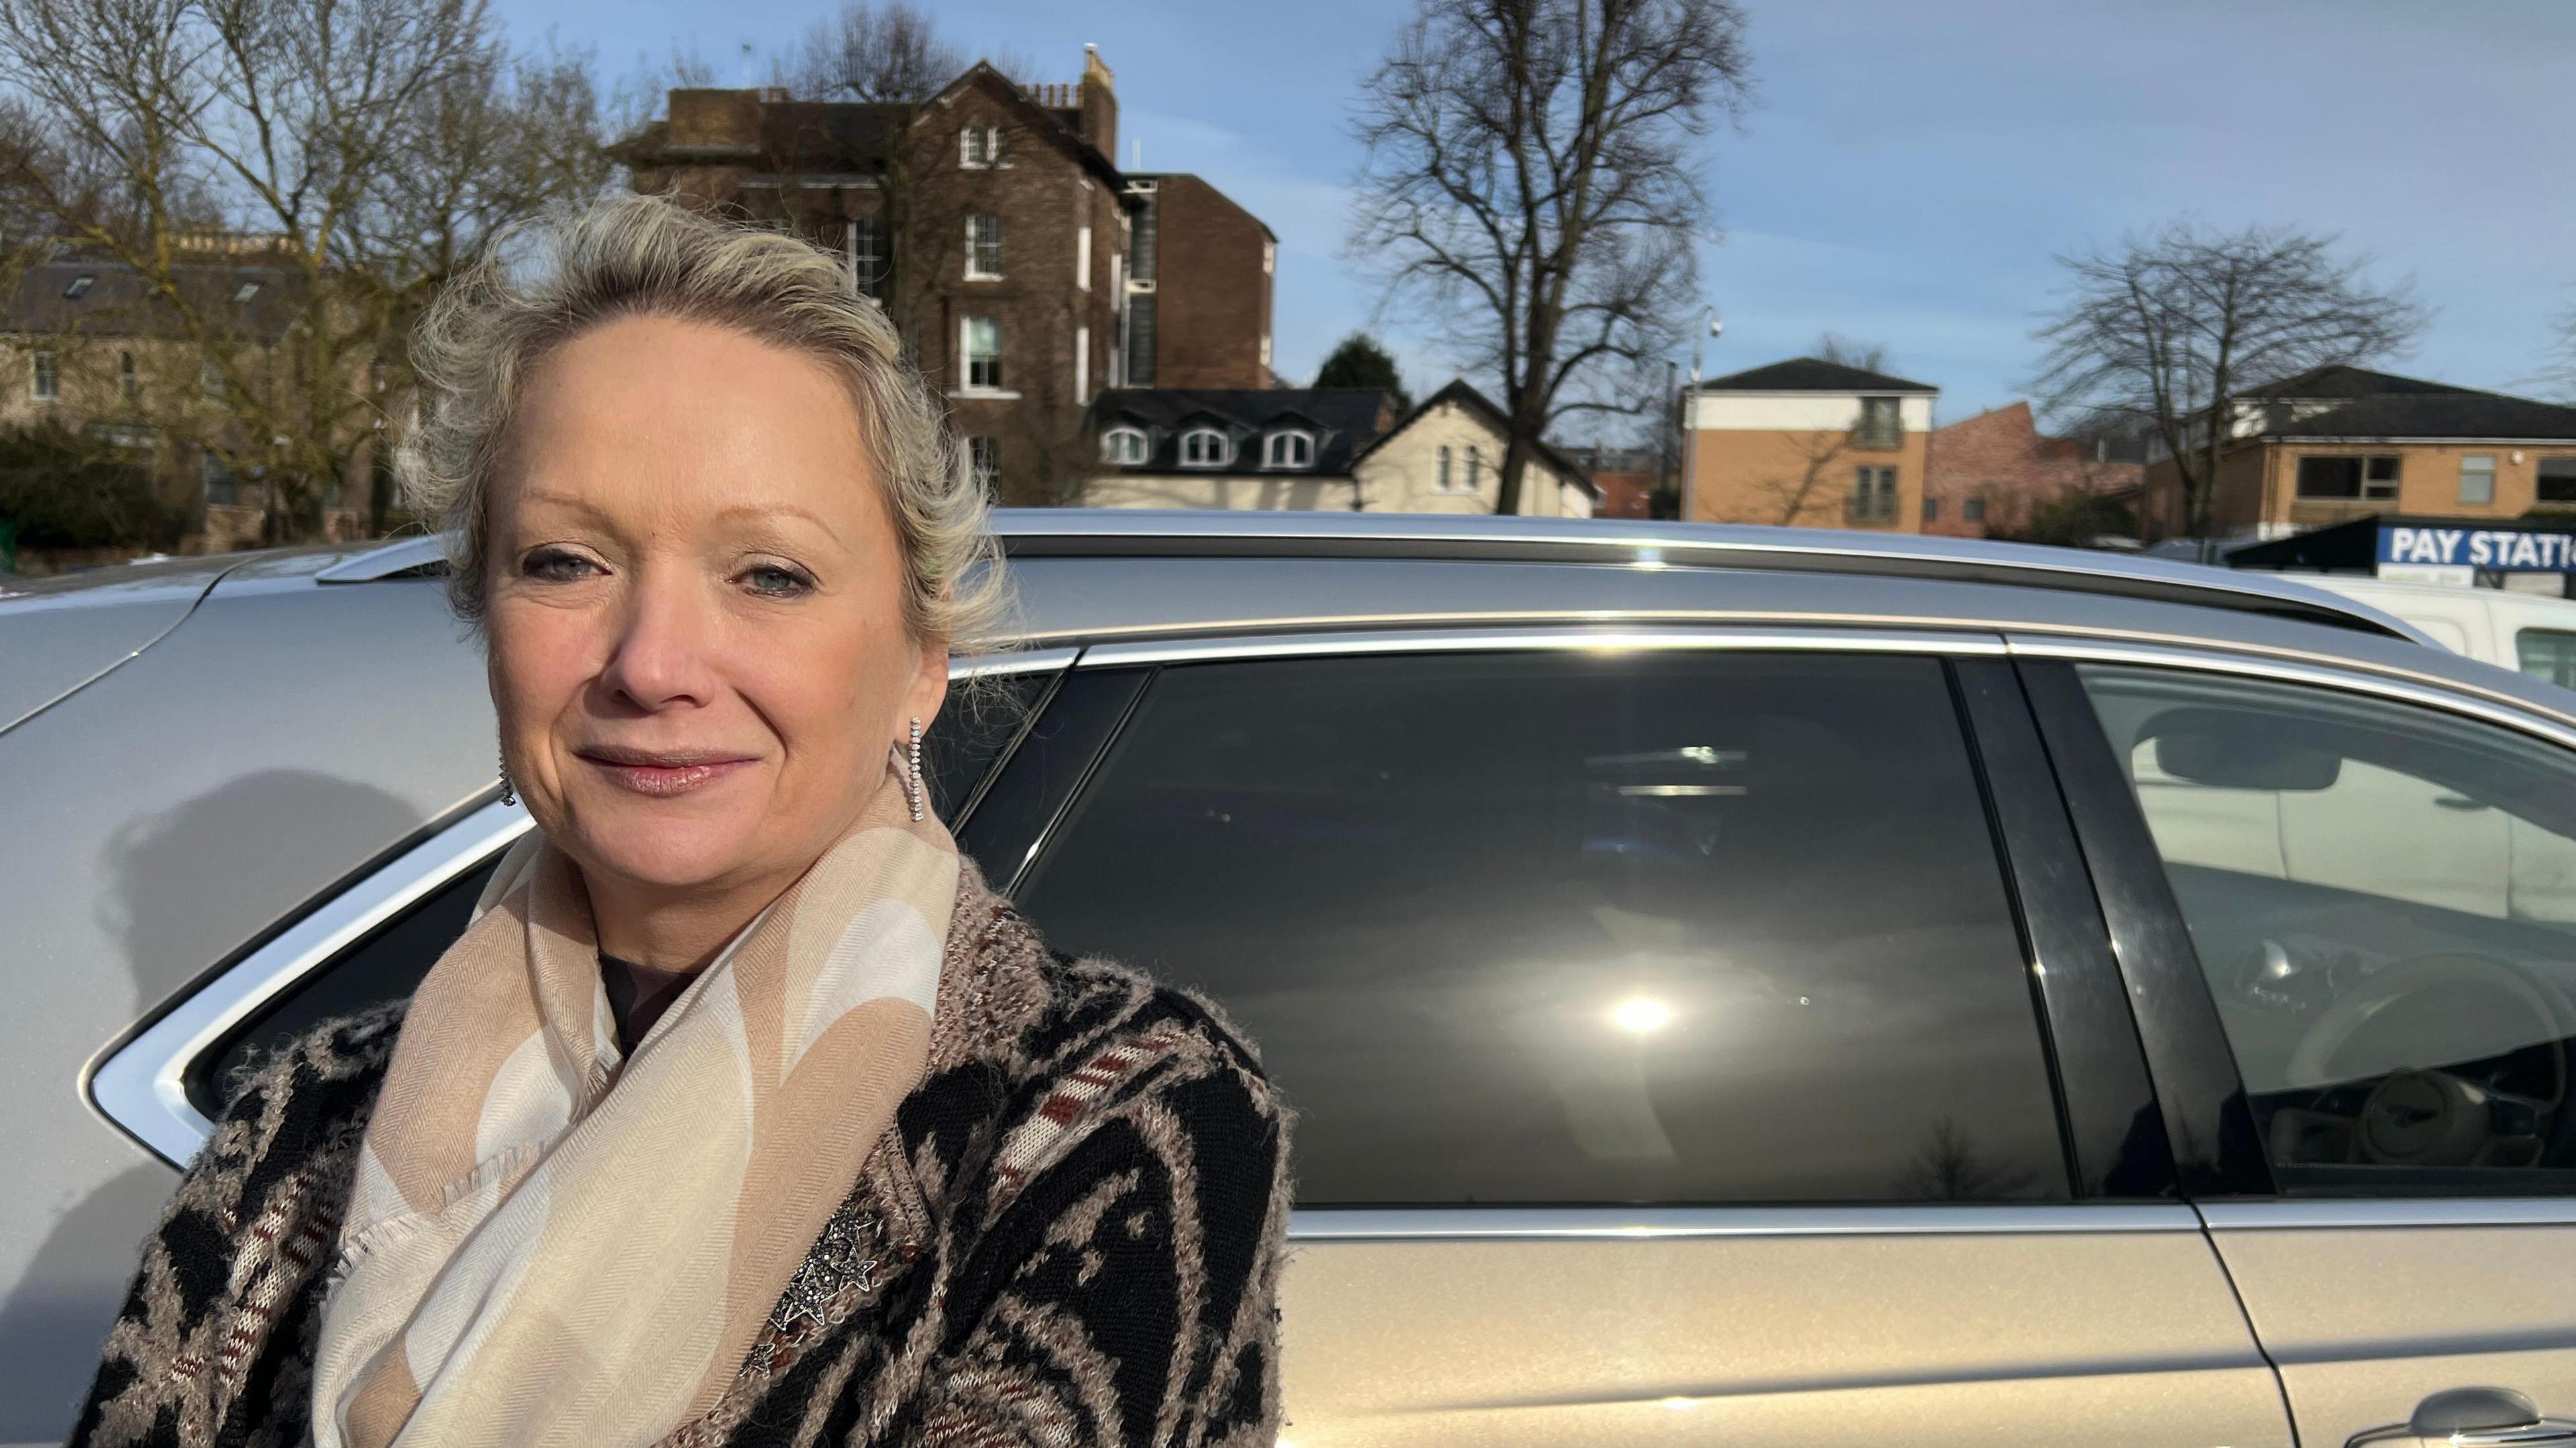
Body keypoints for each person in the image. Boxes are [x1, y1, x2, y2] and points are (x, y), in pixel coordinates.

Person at [71, 193, 1293, 1448]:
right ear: (487, 625)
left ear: (922, 661)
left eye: (769, 574)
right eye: (563, 561)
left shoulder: (1112, 1117)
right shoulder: (309, 1120)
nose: (652, 664)